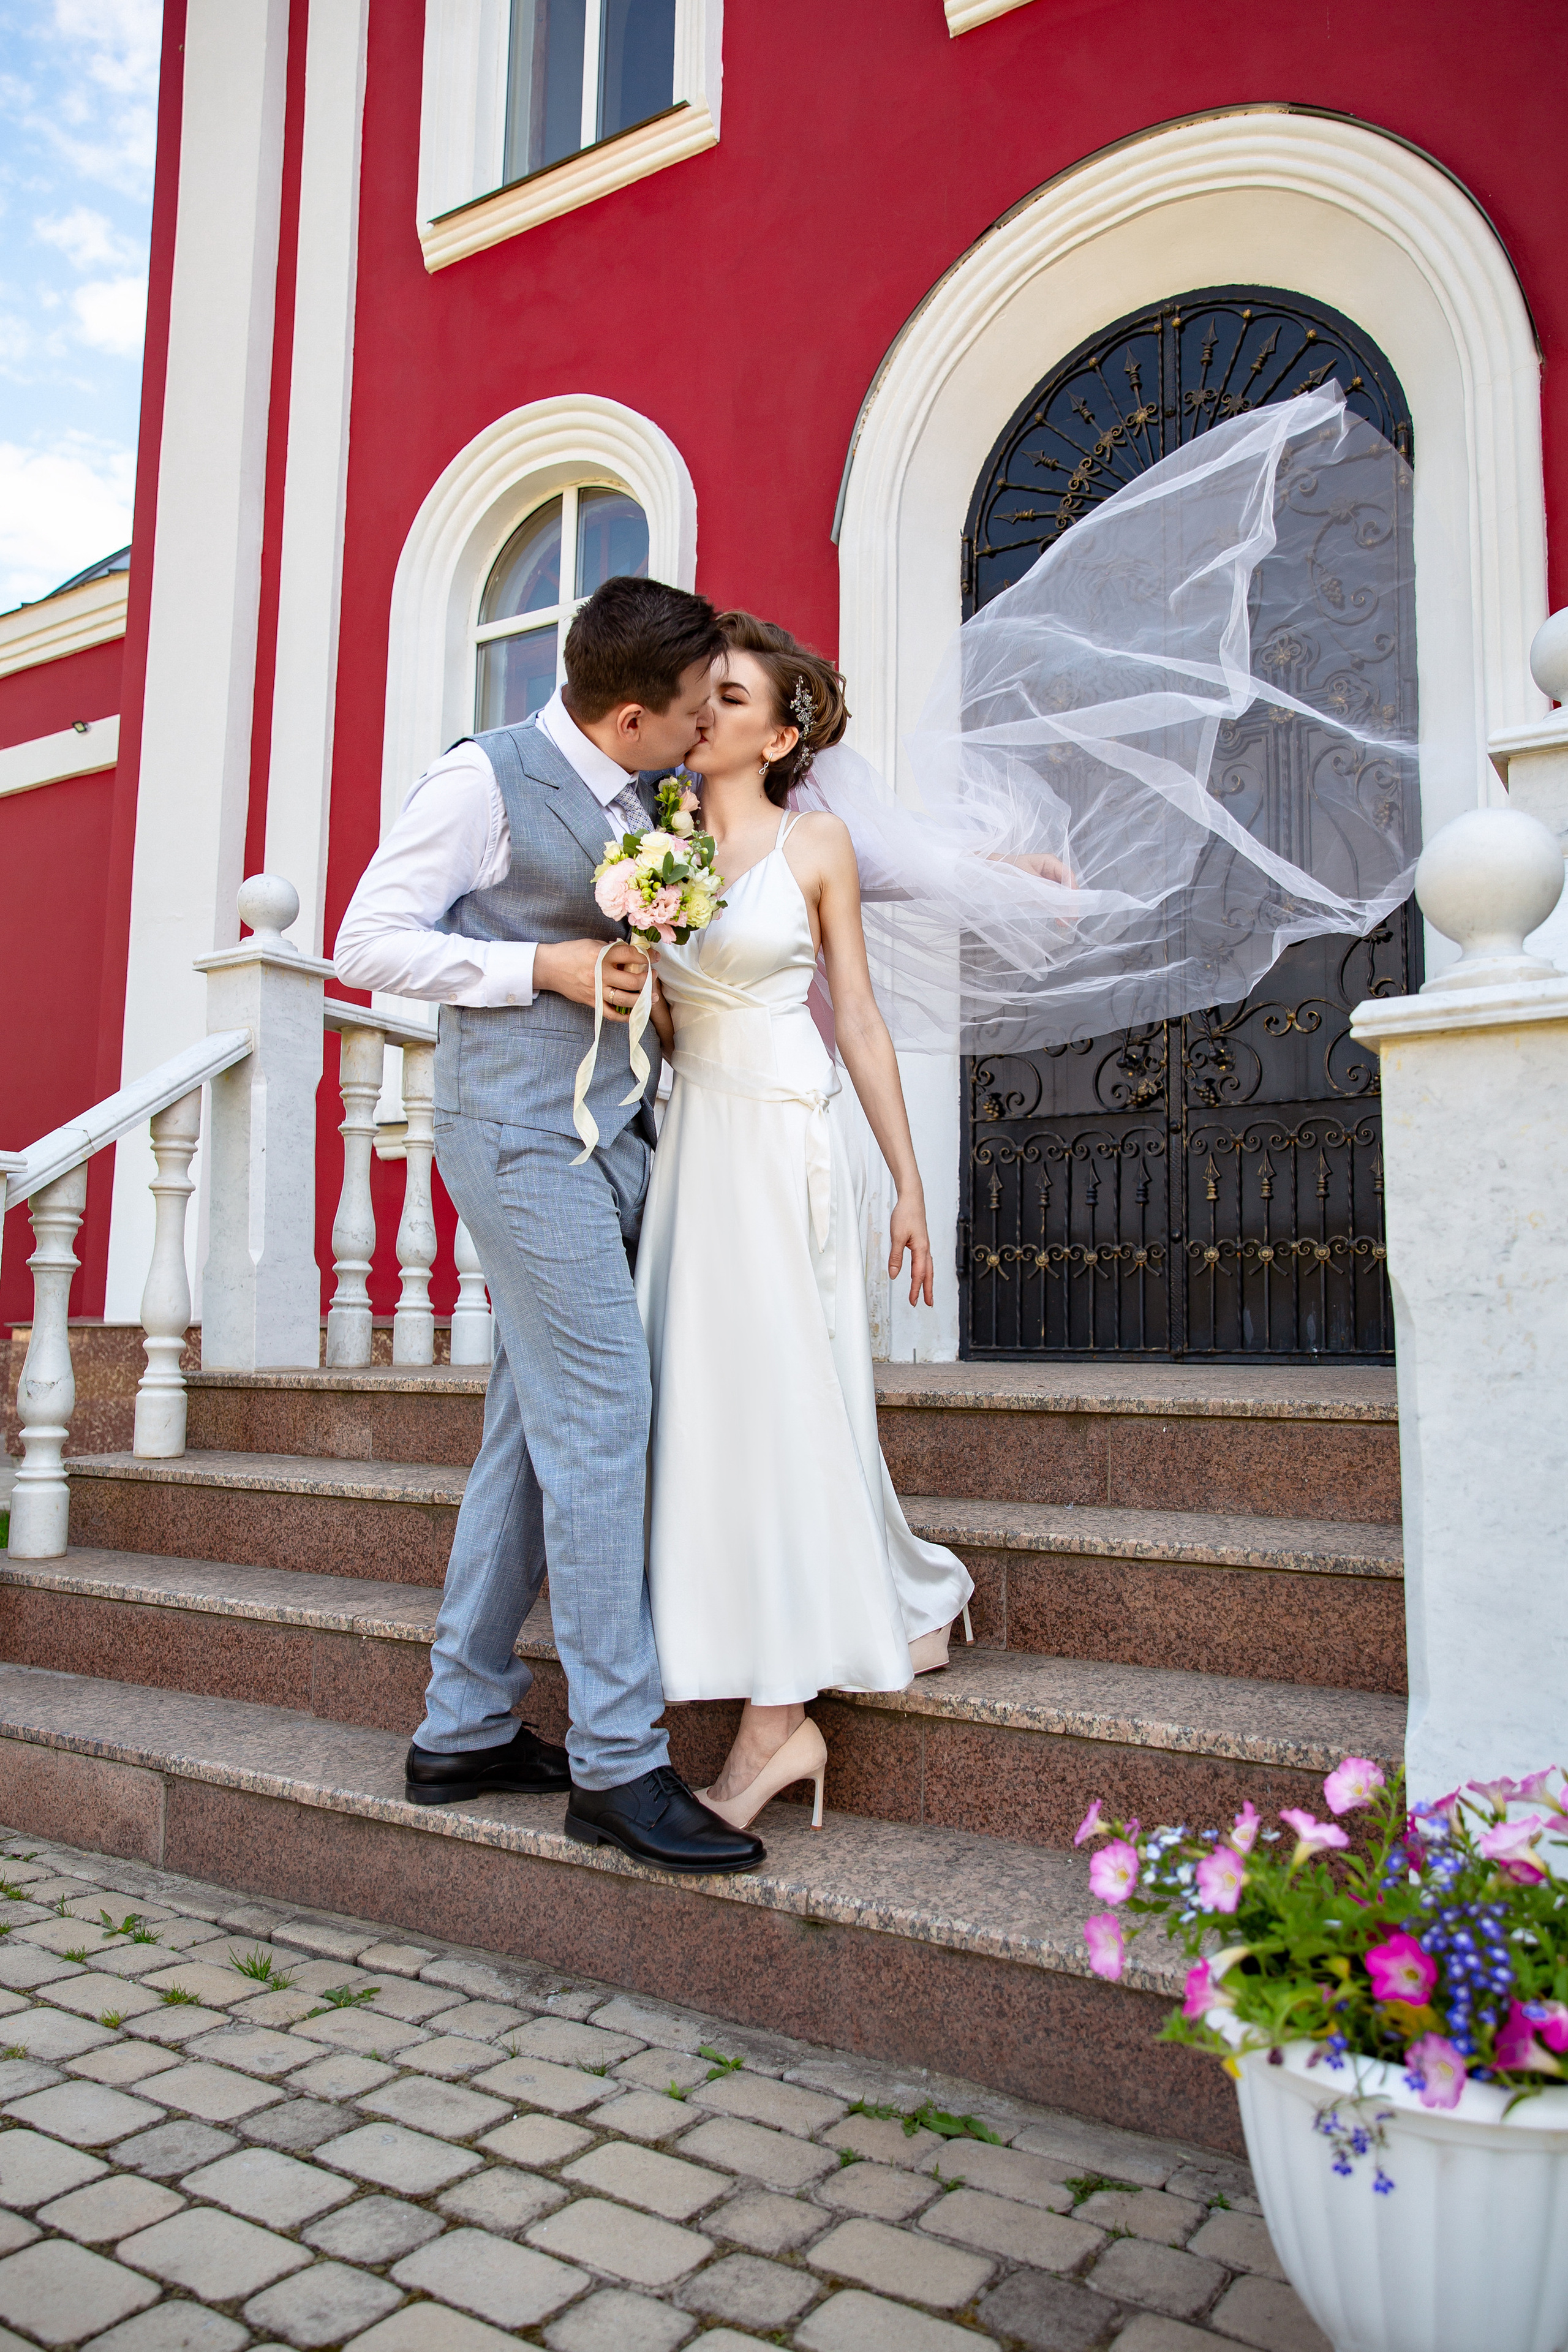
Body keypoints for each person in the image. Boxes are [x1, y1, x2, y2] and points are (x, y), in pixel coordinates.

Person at [333, 576, 766, 1875]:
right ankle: (619, 1766)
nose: (705, 729)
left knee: (530, 1434)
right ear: (629, 712)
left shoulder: (647, 799)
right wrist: (540, 967)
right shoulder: (482, 780)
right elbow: (367, 939)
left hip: (610, 1141)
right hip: (517, 1139)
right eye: (692, 711)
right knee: (602, 1422)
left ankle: (461, 1728)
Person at [635, 613, 973, 1830]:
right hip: (696, 1144)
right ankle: (883, 1600)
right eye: (698, 692)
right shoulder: (651, 843)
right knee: (713, 1403)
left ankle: (774, 1728)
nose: (705, 708)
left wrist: (911, 1188)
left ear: (779, 735)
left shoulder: (815, 841)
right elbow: (656, 1020)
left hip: (785, 1138)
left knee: (782, 1397)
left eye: (731, 697)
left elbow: (863, 1022)